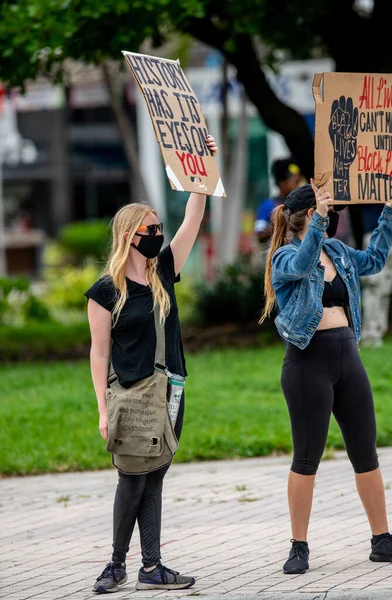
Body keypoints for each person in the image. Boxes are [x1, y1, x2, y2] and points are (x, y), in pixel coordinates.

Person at [84, 135, 218, 594]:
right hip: (132, 395)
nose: (157, 233)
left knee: (155, 477)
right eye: (149, 229)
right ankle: (117, 564)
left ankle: (149, 567)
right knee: (133, 481)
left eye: (158, 226)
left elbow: (194, 216)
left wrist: (201, 168)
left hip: (171, 390)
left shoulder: (163, 270)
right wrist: (103, 409)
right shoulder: (105, 291)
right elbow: (99, 352)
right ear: (128, 236)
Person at [260, 181, 392, 575]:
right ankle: (299, 546)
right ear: (308, 215)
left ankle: (382, 540)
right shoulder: (285, 257)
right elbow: (304, 264)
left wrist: (390, 211)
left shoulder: (337, 251)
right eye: (326, 209)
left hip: (347, 357)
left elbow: (373, 260)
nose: (333, 214)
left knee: (365, 451)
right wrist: (320, 220)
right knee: (307, 457)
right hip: (307, 363)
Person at [361, 205, 392, 346]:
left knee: (385, 289)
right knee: (374, 285)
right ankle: (370, 334)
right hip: (375, 231)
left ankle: (379, 330)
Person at [254, 158, 301, 245]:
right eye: (296, 182)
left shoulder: (301, 205)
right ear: (282, 182)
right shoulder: (267, 206)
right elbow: (260, 235)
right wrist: (282, 223)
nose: (299, 186)